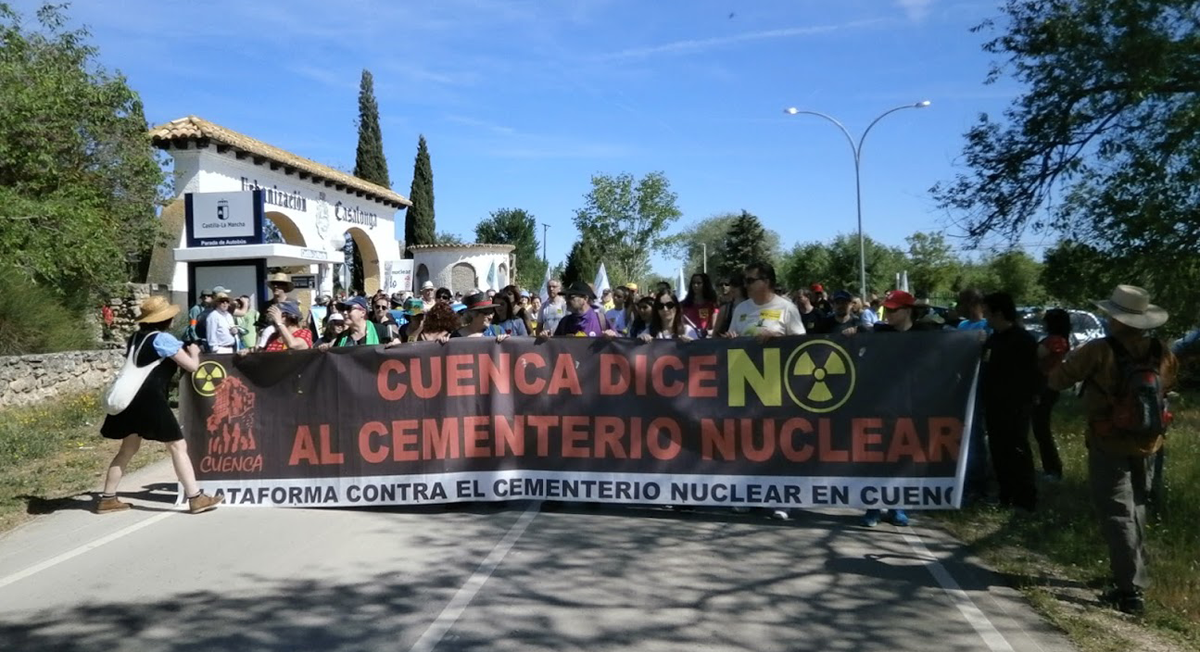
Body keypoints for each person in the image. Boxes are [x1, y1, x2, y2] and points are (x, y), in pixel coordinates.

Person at [1048, 285, 1178, 616]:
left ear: (1116, 318)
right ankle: (1133, 577)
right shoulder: (1161, 351)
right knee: (1137, 508)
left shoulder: (1099, 350)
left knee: (1117, 512)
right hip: (1150, 441)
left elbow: (1057, 380)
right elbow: (1169, 385)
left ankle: (1129, 591)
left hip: (1109, 440)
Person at [96, 296, 223, 515]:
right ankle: (195, 498)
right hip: (150, 399)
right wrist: (194, 353)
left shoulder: (136, 337)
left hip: (129, 399)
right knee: (177, 446)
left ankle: (108, 498)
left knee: (128, 449)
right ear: (165, 319)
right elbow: (191, 366)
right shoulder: (163, 340)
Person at [980, 292, 1040, 512]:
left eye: (987, 312)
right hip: (994, 404)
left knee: (1017, 450)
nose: (985, 316)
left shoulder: (1023, 340)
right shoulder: (992, 339)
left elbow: (1033, 375)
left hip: (1016, 405)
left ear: (999, 313)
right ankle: (1006, 496)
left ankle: (1026, 499)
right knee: (998, 451)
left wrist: (1028, 400)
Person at [1031, 308, 1070, 481]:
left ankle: (1053, 469)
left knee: (1041, 430)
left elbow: (1036, 355)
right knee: (1040, 429)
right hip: (1046, 386)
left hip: (1046, 386)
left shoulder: (1056, 341)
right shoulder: (1059, 340)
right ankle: (1050, 467)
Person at [726, 261, 805, 340]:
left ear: (766, 282)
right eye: (745, 281)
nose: (745, 285)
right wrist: (731, 338)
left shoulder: (787, 308)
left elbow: (800, 341)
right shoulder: (740, 308)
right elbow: (731, 339)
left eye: (750, 281)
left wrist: (778, 339)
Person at [320, 297, 396, 348]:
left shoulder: (380, 330)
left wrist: (394, 346)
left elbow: (398, 349)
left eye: (349, 309)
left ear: (362, 312)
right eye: (343, 309)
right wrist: (325, 350)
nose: (345, 312)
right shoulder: (342, 337)